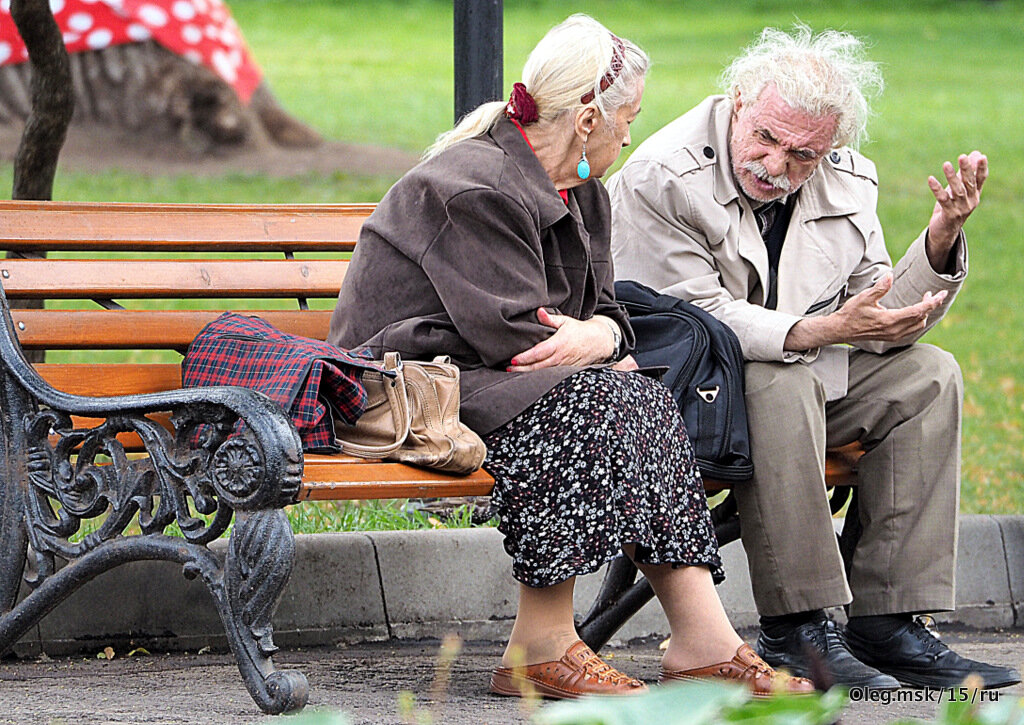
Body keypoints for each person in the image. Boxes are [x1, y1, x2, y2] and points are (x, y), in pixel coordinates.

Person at [329, 15, 813, 699]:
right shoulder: (473, 185)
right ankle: (541, 644)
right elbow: (522, 342)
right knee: (596, 398)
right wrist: (595, 347)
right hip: (409, 385)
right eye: (627, 119)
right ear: (588, 118)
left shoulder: (581, 188)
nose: (629, 133)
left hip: (489, 375)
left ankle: (703, 642)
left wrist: (601, 340)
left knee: (632, 393)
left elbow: (607, 315)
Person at [607, 25, 1021, 691]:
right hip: (678, 396)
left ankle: (887, 618)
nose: (776, 164)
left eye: (804, 154)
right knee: (779, 378)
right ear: (739, 101)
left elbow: (880, 316)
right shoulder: (664, 175)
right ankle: (797, 626)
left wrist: (940, 240)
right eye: (767, 138)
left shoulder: (848, 179)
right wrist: (820, 329)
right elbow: (694, 315)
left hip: (792, 384)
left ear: (830, 148)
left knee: (928, 376)